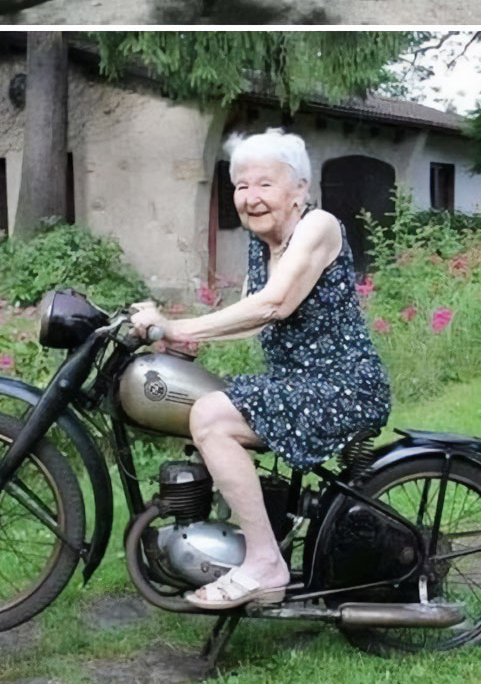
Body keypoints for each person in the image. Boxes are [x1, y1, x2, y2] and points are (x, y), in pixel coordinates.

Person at [130, 128, 391, 611]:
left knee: (211, 417)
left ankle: (264, 564)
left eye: (264, 184)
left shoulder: (318, 227)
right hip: (300, 381)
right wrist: (180, 336)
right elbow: (255, 315)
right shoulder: (262, 244)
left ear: (300, 191)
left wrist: (179, 323)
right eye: (241, 186)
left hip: (342, 385)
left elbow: (273, 305)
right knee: (210, 404)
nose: (250, 198)